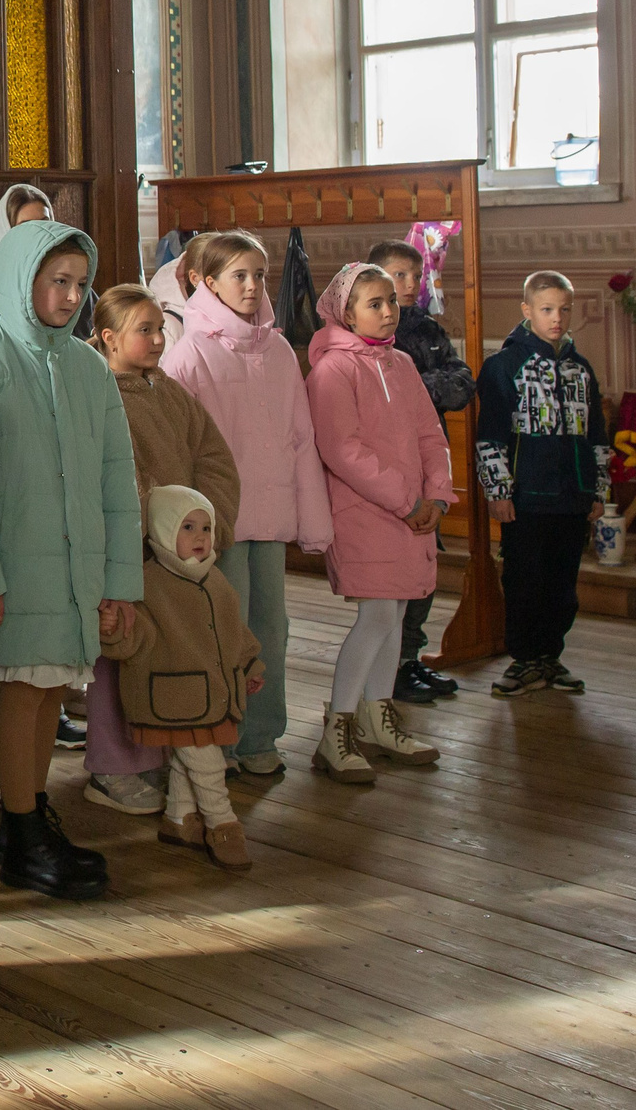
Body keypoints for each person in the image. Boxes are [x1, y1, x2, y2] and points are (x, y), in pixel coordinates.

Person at [0, 220, 142, 900]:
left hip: (76, 571)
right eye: (58, 280)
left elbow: (116, 480)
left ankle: (30, 819)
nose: (72, 295)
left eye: (81, 283)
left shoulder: (88, 366)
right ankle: (20, 829)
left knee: (53, 691)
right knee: (24, 693)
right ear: (22, 279)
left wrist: (118, 580)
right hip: (15, 572)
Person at [159, 230, 333, 779]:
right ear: (208, 283)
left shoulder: (278, 351)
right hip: (219, 523)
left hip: (270, 517)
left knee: (270, 630)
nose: (254, 286)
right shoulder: (188, 354)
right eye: (239, 275)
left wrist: (313, 521)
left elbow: (301, 438)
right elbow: (178, 450)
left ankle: (261, 735)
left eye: (260, 274)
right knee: (221, 631)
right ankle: (220, 739)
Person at [78, 285, 240, 818]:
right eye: (143, 330)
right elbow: (111, 479)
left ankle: (159, 756)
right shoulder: (99, 394)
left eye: (159, 329)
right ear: (108, 337)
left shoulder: (169, 391)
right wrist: (148, 529)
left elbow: (213, 457)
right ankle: (112, 769)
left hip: (176, 557)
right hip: (130, 554)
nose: (156, 340)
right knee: (118, 655)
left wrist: (206, 524)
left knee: (166, 658)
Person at [304, 263, 451, 783]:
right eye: (374, 303)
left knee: (395, 616)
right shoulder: (332, 370)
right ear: (347, 313)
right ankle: (337, 729)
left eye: (391, 301)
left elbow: (431, 434)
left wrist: (438, 494)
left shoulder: (402, 363)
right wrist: (407, 501)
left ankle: (377, 717)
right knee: (376, 618)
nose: (389, 311)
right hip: (364, 513)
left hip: (411, 513)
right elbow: (342, 451)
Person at [99, 486, 264, 871]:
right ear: (162, 530)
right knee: (206, 761)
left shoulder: (216, 581)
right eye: (187, 527)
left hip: (210, 693)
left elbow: (233, 631)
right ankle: (222, 823)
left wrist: (249, 664)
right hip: (172, 696)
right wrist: (113, 629)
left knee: (187, 756)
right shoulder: (148, 584)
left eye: (206, 527)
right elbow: (134, 639)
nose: (200, 536)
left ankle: (178, 818)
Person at [476, 272, 612, 698]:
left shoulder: (580, 368)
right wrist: (498, 491)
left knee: (562, 585)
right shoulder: (504, 367)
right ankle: (523, 659)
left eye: (564, 309)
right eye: (547, 309)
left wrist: (598, 489)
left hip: (572, 497)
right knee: (525, 581)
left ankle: (550, 656)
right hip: (527, 498)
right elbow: (491, 436)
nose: (557, 318)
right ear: (527, 310)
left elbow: (597, 435)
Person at [366, 239, 472, 706]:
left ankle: (409, 658)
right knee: (394, 576)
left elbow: (461, 383)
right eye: (398, 276)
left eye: (415, 276)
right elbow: (379, 399)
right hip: (391, 471)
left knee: (426, 565)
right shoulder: (366, 332)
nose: (409, 285)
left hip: (429, 463)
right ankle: (386, 669)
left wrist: (415, 388)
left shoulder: (427, 329)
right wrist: (417, 391)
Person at [0, 183, 95, 343]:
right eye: (27, 226)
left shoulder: (76, 287)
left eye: (45, 223)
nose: (39, 233)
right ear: (7, 232)